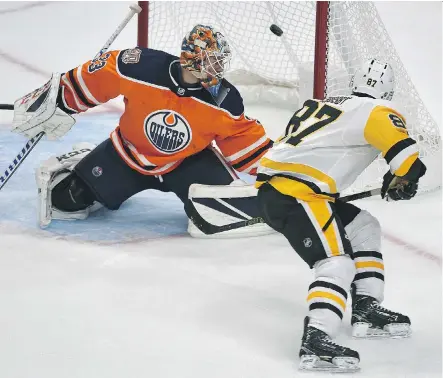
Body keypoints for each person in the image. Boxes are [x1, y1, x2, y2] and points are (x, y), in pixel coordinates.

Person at [255, 59, 426, 372]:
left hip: (280, 190)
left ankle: (366, 306)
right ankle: (316, 338)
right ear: (388, 90)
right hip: (300, 194)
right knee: (336, 261)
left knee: (364, 227)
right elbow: (408, 161)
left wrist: (397, 176)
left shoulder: (322, 105)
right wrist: (402, 178)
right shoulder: (377, 111)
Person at [11, 24, 272, 228]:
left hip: (189, 163)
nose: (218, 67)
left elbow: (243, 141)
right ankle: (85, 160)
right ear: (193, 57)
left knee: (230, 213)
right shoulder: (141, 67)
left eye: (219, 61)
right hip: (128, 156)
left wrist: (283, 168)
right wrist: (58, 99)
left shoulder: (223, 99)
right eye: (212, 60)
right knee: (64, 200)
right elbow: (98, 75)